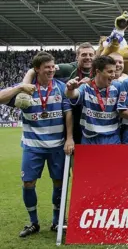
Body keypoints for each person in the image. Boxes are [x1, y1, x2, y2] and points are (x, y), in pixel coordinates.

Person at [0, 52, 74, 237]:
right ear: (37, 70)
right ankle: (33, 223)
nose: (51, 70)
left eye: (52, 66)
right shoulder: (26, 90)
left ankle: (57, 222)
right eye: (47, 67)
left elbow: (68, 113)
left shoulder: (61, 87)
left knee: (58, 182)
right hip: (32, 146)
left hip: (57, 145)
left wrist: (70, 138)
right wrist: (19, 88)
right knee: (28, 183)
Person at [22, 43, 96, 144]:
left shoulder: (99, 70)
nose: (88, 57)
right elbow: (33, 70)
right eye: (84, 55)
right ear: (77, 57)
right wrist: (24, 89)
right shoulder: (68, 68)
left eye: (91, 55)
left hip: (92, 117)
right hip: (73, 116)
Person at [65, 56, 122, 144]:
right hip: (89, 139)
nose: (113, 75)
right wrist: (70, 89)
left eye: (114, 72)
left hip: (112, 138)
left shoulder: (118, 87)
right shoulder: (86, 87)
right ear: (98, 72)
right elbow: (72, 95)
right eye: (110, 71)